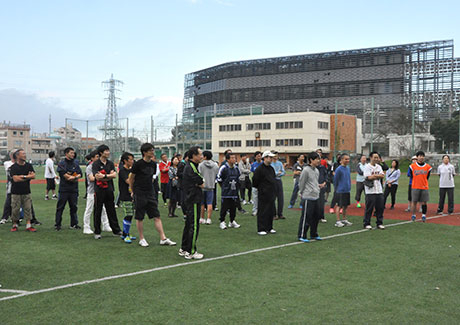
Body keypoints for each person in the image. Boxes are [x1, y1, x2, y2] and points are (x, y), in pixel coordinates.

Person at [128, 143, 175, 247]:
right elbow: (131, 178)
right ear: (145, 152)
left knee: (156, 216)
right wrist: (132, 190)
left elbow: (152, 177)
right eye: (151, 150)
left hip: (150, 192)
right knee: (140, 217)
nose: (153, 152)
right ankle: (141, 238)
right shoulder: (138, 164)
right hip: (139, 192)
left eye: (153, 150)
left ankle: (163, 238)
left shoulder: (153, 164)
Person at [179, 146, 205, 259]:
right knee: (194, 225)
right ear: (193, 156)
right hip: (193, 199)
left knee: (189, 224)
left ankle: (184, 248)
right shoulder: (191, 167)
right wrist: (199, 183)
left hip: (190, 198)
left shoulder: (192, 166)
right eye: (200, 154)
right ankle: (191, 251)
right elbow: (201, 181)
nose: (201, 156)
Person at [92, 145, 122, 239]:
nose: (108, 152)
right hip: (99, 190)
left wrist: (104, 176)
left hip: (109, 189)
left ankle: (116, 230)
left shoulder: (110, 163)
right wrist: (108, 176)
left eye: (108, 150)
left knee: (111, 210)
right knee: (98, 210)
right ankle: (97, 231)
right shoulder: (96, 164)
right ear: (101, 153)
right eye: (106, 151)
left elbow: (114, 175)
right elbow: (97, 177)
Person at [82, 150, 111, 234]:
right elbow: (91, 178)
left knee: (103, 209)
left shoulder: (100, 166)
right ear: (92, 158)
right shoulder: (90, 167)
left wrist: (102, 177)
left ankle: (105, 225)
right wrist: (103, 177)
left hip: (101, 190)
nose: (98, 158)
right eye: (97, 157)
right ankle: (86, 227)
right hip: (92, 191)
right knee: (89, 209)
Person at [54, 147, 82, 230]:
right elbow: (63, 174)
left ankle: (74, 224)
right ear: (66, 154)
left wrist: (74, 177)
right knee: (60, 207)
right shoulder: (62, 163)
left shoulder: (75, 163)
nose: (73, 154)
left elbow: (80, 173)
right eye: (71, 153)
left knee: (74, 207)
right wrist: (73, 176)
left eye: (73, 153)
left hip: (74, 189)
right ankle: (58, 224)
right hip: (64, 189)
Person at [297, 152, 323, 242]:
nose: (319, 161)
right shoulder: (306, 170)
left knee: (315, 217)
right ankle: (302, 235)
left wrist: (318, 186)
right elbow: (302, 183)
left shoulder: (316, 170)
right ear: (311, 160)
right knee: (306, 217)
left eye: (319, 159)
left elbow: (314, 182)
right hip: (308, 197)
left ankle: (314, 234)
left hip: (316, 196)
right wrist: (301, 193)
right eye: (317, 159)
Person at [9, 149, 36, 232]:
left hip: (26, 191)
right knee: (15, 209)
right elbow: (15, 179)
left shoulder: (29, 166)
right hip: (15, 192)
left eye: (25, 153)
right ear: (17, 156)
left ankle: (28, 225)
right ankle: (14, 225)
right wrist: (27, 177)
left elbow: (33, 176)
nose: (25, 155)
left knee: (28, 208)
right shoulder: (13, 167)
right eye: (23, 154)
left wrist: (22, 177)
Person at [252, 150, 277, 235]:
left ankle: (269, 227)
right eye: (270, 157)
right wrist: (262, 189)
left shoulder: (271, 168)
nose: (271, 159)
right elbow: (255, 181)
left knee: (270, 211)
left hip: (271, 193)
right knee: (263, 211)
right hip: (263, 193)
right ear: (265, 158)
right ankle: (261, 228)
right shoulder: (259, 169)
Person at [217, 152, 241, 230]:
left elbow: (238, 178)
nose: (234, 159)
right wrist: (224, 188)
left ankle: (232, 221)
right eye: (232, 158)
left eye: (235, 158)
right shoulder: (224, 168)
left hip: (234, 192)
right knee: (224, 207)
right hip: (226, 192)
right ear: (227, 159)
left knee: (233, 207)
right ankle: (222, 221)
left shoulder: (236, 168)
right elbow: (219, 179)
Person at [363, 152, 385, 229]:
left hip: (379, 190)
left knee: (380, 208)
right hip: (370, 191)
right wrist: (377, 176)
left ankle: (379, 223)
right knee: (369, 208)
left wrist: (374, 176)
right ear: (370, 157)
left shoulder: (379, 167)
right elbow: (368, 177)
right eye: (374, 157)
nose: (376, 159)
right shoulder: (367, 167)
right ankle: (367, 223)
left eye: (377, 157)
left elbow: (382, 175)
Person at [119, 152, 137, 243]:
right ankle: (125, 234)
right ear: (125, 161)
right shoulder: (122, 170)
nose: (132, 161)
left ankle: (126, 233)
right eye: (130, 159)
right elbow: (128, 181)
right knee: (128, 214)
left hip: (132, 195)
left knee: (131, 214)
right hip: (125, 195)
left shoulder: (131, 170)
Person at [410, 151, 432, 222]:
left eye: (422, 156)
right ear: (417, 157)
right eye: (420, 156)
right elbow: (411, 176)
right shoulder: (412, 166)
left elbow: (427, 176)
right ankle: (413, 215)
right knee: (414, 201)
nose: (421, 157)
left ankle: (423, 215)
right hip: (415, 186)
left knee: (424, 202)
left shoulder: (428, 167)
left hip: (424, 186)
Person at [198, 151, 219, 224]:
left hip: (202, 186)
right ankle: (209, 219)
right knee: (210, 203)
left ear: (205, 157)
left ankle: (202, 218)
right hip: (211, 186)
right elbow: (217, 173)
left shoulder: (200, 165)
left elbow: (199, 173)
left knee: (202, 204)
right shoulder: (215, 165)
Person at [333, 153, 352, 227]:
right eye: (346, 159)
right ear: (341, 160)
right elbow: (335, 180)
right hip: (340, 190)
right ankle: (338, 221)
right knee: (339, 205)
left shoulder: (348, 168)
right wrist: (337, 188)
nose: (347, 160)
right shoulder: (338, 169)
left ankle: (344, 219)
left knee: (345, 206)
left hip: (347, 190)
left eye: (348, 159)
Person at [271, 151, 286, 220]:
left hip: (279, 181)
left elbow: (283, 172)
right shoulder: (270, 163)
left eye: (276, 156)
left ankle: (280, 214)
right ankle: (274, 214)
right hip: (272, 181)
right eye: (274, 156)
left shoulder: (280, 163)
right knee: (273, 198)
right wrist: (278, 173)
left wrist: (278, 173)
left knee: (281, 198)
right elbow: (272, 173)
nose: (276, 157)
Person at [316, 150, 328, 223]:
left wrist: (324, 183)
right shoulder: (311, 168)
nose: (318, 160)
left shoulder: (322, 168)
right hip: (314, 188)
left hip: (322, 187)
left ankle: (321, 216)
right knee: (314, 203)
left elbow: (326, 176)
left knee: (321, 203)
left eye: (319, 159)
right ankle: (314, 217)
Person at [250, 151, 262, 216]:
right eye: (258, 156)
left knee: (262, 198)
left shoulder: (263, 164)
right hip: (255, 184)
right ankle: (255, 210)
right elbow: (252, 173)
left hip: (262, 184)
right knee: (255, 198)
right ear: (255, 157)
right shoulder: (253, 165)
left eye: (260, 156)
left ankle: (261, 210)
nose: (259, 157)